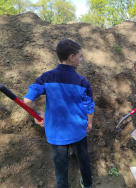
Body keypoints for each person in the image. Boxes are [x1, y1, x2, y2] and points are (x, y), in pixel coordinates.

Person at [23, 39, 94, 188]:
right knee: (84, 160)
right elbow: (89, 107)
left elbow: (28, 100)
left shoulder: (47, 77)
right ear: (72, 57)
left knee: (61, 172)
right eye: (80, 56)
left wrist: (37, 114)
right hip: (78, 131)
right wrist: (90, 123)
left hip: (56, 133)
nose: (81, 60)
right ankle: (87, 184)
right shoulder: (82, 81)